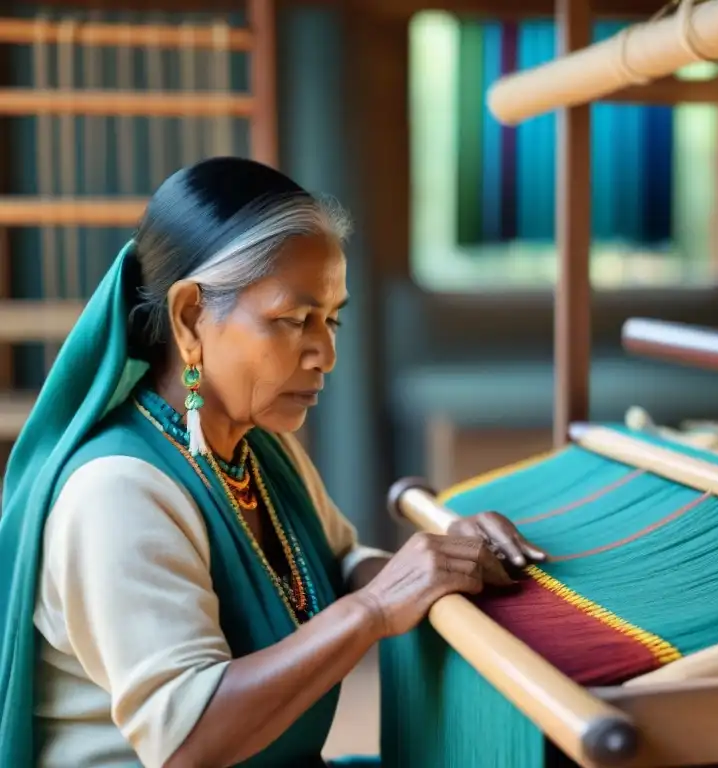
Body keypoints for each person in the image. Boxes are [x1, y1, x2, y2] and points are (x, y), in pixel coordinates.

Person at [0, 157, 546, 768]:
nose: (326, 354)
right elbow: (189, 741)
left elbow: (339, 563)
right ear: (188, 319)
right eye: (293, 320)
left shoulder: (257, 446)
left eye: (332, 319)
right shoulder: (117, 491)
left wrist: (438, 567)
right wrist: (375, 608)